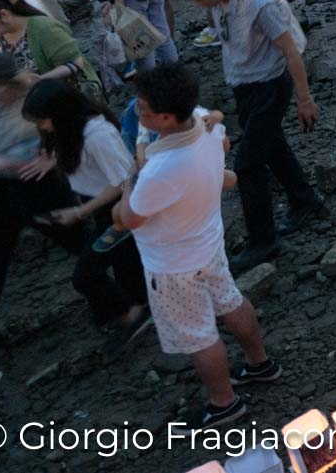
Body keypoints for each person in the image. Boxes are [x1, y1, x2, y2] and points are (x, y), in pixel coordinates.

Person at [114, 64, 279, 427]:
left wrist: (128, 182)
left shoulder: (161, 170)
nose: (137, 113)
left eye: (142, 110)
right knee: (230, 299)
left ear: (166, 116)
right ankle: (259, 362)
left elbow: (130, 218)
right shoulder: (204, 120)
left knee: (199, 334)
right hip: (208, 241)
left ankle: (224, 402)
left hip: (173, 264)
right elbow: (224, 144)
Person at [172, 0, 325, 269]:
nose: (203, 6)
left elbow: (291, 51)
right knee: (273, 146)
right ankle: (305, 200)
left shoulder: (259, 4)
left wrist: (304, 99)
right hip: (244, 85)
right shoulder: (220, 1)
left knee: (248, 163)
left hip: (270, 85)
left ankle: (263, 240)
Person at [0, 51, 89, 358]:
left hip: (40, 186)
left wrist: (52, 157)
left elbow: (76, 124)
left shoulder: (35, 94)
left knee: (76, 238)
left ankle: (113, 299)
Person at [20, 79, 149, 342]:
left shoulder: (98, 136)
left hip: (118, 211)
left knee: (85, 276)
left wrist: (79, 212)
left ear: (61, 113)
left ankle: (132, 316)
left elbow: (125, 181)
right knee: (127, 267)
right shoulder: (71, 131)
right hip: (102, 208)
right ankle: (138, 307)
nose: (40, 127)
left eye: (42, 120)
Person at [0, 0, 101, 100]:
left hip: (69, 92)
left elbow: (76, 62)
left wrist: (39, 80)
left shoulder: (44, 28)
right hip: (36, 98)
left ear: (3, 15)